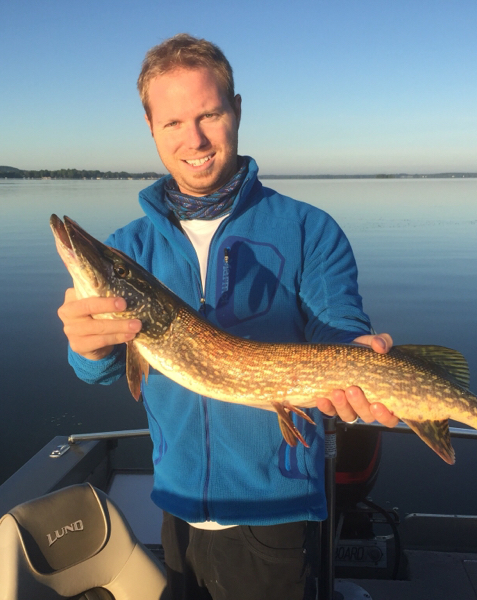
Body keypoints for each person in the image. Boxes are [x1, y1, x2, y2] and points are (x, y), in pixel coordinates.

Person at [57, 33, 398, 600]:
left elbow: (336, 326)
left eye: (210, 114)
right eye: (172, 123)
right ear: (150, 127)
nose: (194, 138)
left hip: (278, 512)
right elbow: (102, 370)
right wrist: (87, 348)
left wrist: (356, 357)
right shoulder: (129, 249)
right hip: (177, 506)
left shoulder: (310, 230)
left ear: (237, 110)